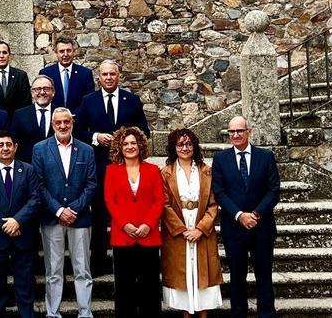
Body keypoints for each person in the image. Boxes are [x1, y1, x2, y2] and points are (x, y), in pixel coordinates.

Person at [76, 58, 151, 272]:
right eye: (104, 74)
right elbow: (77, 130)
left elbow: (145, 131)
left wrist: (129, 139)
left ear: (119, 76)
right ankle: (98, 262)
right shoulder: (88, 101)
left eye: (112, 74)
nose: (109, 78)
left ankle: (129, 262)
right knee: (99, 213)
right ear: (98, 78)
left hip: (129, 168)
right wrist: (96, 137)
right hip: (100, 167)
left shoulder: (132, 100)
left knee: (130, 212)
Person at [32, 108, 97, 318]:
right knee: (53, 270)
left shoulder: (86, 150)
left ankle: (85, 313)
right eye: (58, 122)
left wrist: (74, 209)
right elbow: (39, 185)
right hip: (52, 217)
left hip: (80, 218)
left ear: (72, 123)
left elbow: (91, 183)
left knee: (82, 270)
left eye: (66, 122)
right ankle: (53, 313)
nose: (62, 126)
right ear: (52, 124)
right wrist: (59, 210)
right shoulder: (40, 149)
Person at [212, 116, 280, 318]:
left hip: (262, 227)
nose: (235, 135)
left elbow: (274, 190)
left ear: (248, 131)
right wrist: (240, 215)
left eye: (239, 131)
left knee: (264, 274)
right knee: (237, 276)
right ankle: (238, 313)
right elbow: (220, 192)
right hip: (234, 227)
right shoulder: (220, 159)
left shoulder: (265, 156)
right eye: (231, 132)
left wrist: (256, 214)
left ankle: (266, 313)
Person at [0, 130, 41, 318]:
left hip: (23, 235)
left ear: (15, 147)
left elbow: (35, 199)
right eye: (1, 145)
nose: (5, 148)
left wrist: (17, 221)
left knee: (25, 285)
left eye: (8, 144)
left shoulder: (28, 169)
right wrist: (5, 223)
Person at [160, 129, 223, 318]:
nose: (185, 148)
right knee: (182, 273)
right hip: (178, 229)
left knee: (203, 273)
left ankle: (203, 315)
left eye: (188, 144)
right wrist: (181, 229)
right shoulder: (165, 173)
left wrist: (200, 229)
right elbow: (164, 204)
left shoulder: (206, 171)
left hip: (201, 225)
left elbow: (213, 204)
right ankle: (185, 315)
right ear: (174, 147)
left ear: (194, 146)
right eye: (180, 144)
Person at [104, 125, 165, 317]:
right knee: (124, 286)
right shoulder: (112, 170)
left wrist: (148, 224)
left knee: (150, 286)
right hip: (123, 236)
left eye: (133, 143)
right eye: (125, 143)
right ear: (119, 147)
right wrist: (125, 224)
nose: (130, 146)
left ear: (140, 145)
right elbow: (110, 200)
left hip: (149, 235)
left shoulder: (154, 170)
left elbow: (159, 200)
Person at [9, 75, 57, 163]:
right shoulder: (20, 115)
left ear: (53, 92)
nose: (42, 92)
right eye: (37, 89)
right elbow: (14, 143)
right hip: (28, 167)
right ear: (32, 93)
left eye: (46, 89)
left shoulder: (61, 113)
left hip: (55, 167)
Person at [39, 37, 95, 110]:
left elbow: (89, 100)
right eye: (62, 51)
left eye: (69, 50)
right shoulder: (46, 73)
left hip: (78, 119)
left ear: (73, 52)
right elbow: (42, 99)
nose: (65, 54)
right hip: (53, 119)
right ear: (56, 53)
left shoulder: (85, 74)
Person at [0, 40, 31, 114]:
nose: (1, 56)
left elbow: (26, 102)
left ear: (9, 56)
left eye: (4, 52)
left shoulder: (21, 75)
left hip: (16, 120)